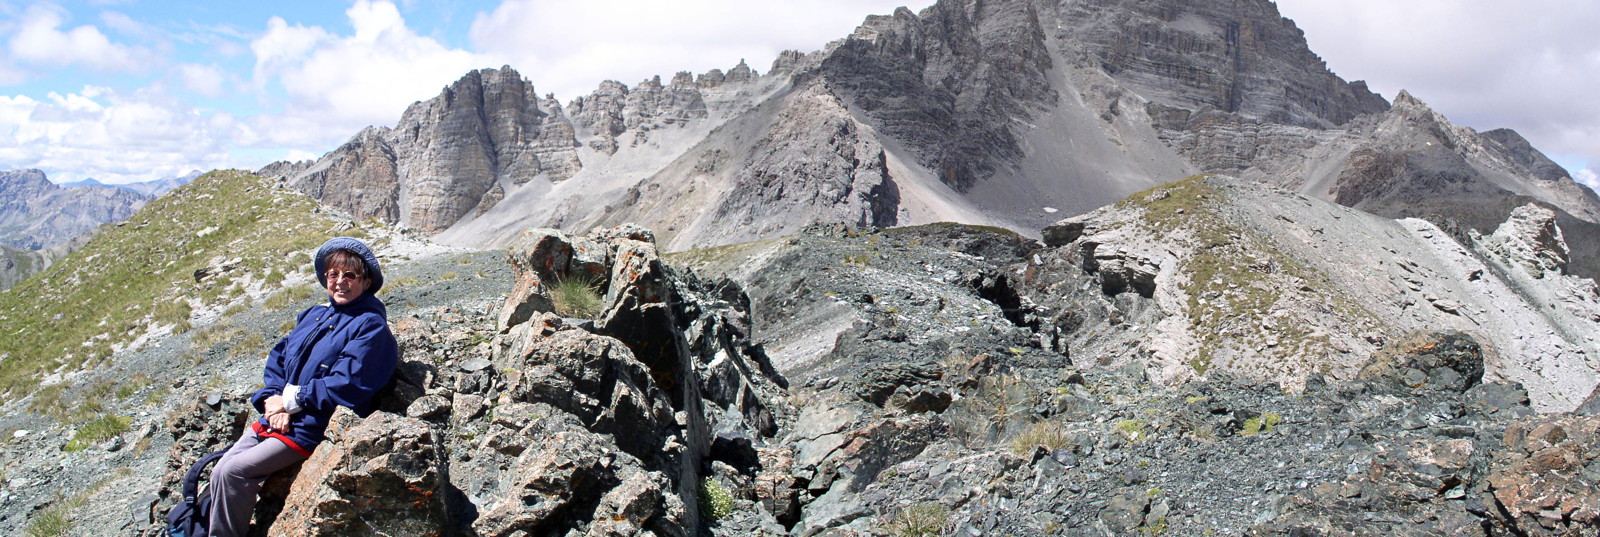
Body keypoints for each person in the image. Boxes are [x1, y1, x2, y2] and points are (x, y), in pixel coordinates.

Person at [207, 237, 399, 537]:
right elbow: (279, 357)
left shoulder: (370, 326)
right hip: (278, 416)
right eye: (333, 275)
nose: (340, 282)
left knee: (234, 473)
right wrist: (272, 400)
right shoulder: (314, 314)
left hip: (311, 425)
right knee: (218, 471)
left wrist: (291, 402)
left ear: (367, 280)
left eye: (350, 276)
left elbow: (349, 382)